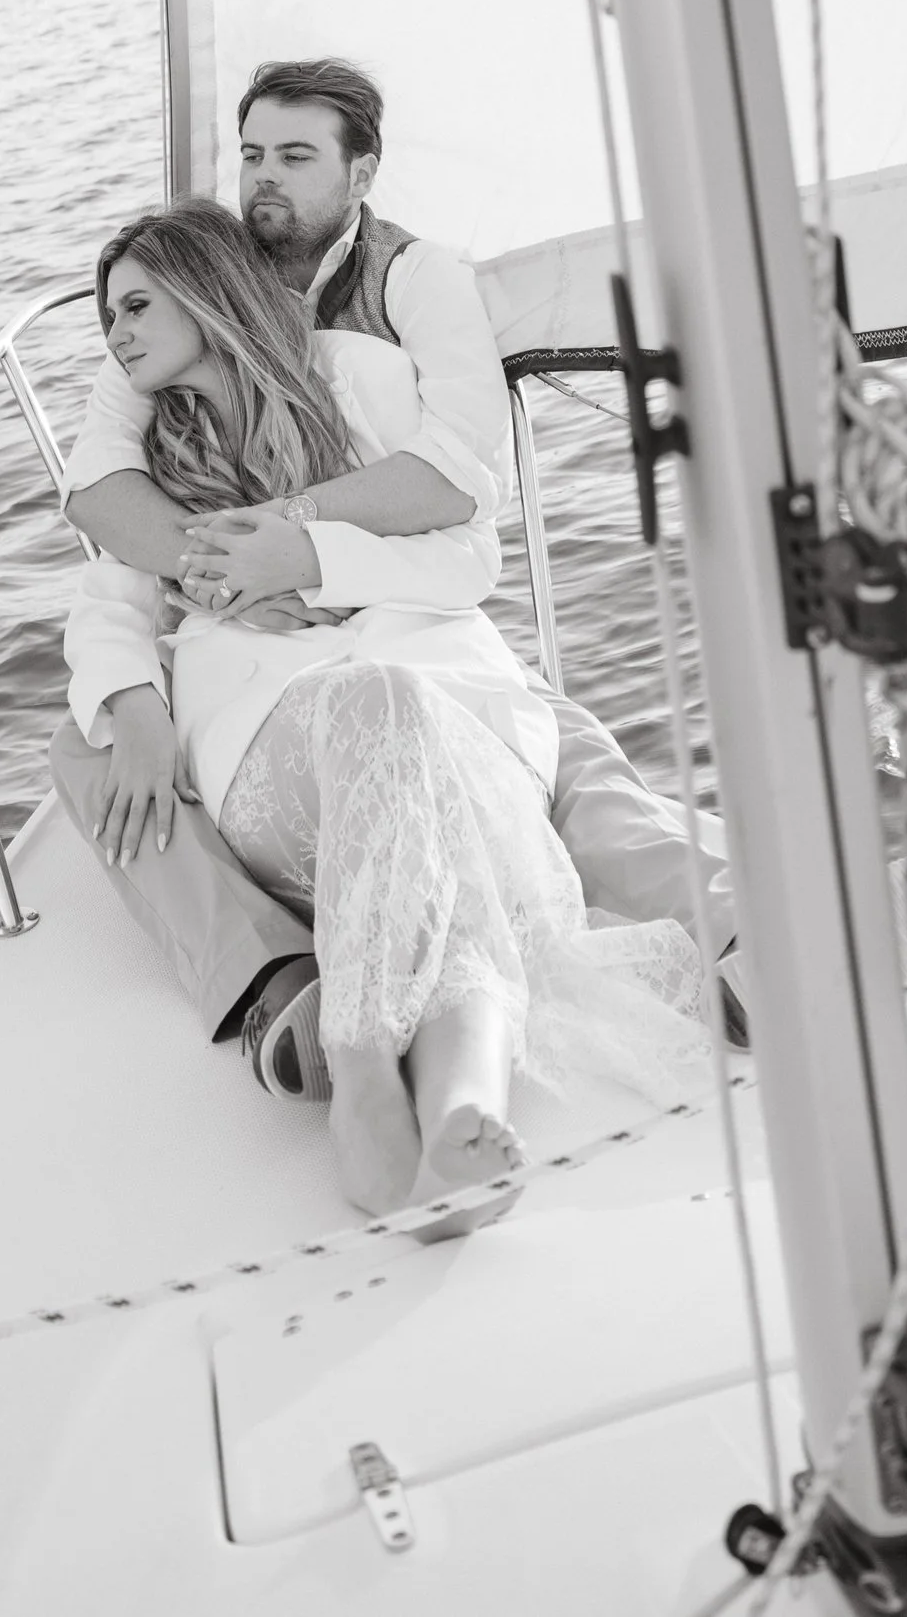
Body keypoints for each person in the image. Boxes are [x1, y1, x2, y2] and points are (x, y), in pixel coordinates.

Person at [50, 55, 738, 1093]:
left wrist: (298, 543)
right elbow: (100, 494)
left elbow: (459, 483)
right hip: (282, 685)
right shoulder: (176, 303)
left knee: (551, 747)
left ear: (360, 171)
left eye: (294, 155)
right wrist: (201, 583)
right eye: (249, 156)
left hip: (402, 615)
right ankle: (273, 987)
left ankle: (740, 927)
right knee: (102, 736)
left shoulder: (399, 306)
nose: (263, 179)